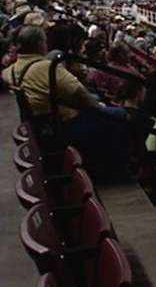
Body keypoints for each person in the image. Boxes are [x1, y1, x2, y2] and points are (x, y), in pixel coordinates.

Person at [1, 25, 129, 182]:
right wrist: (100, 107)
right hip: (63, 125)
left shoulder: (9, 72)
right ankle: (117, 172)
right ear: (39, 44)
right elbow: (85, 98)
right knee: (119, 115)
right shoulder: (46, 68)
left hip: (43, 125)